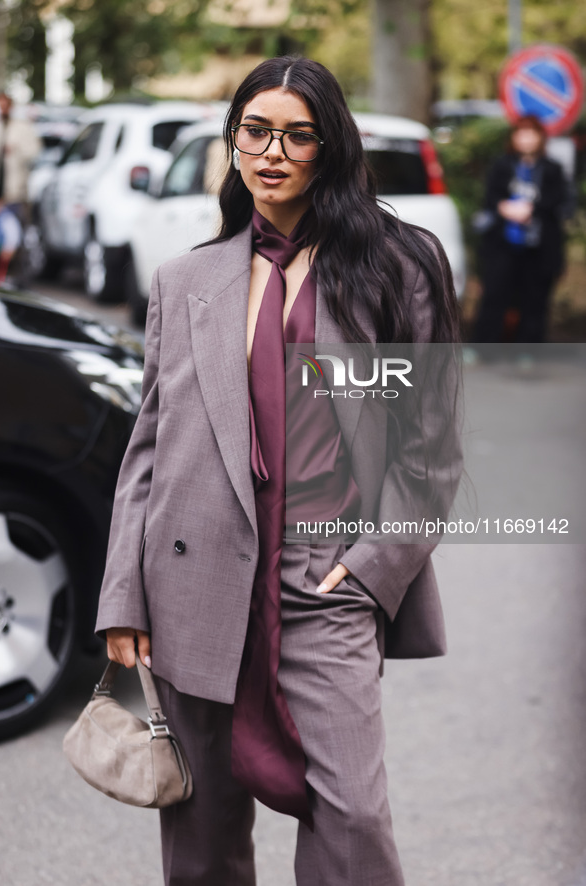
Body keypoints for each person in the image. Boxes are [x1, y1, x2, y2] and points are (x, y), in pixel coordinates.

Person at [95, 56, 462, 886]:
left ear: (329, 147)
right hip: (190, 579)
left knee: (352, 820)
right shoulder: (187, 279)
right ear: (232, 142)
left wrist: (370, 570)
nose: (272, 152)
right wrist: (124, 593)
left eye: (298, 135)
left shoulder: (395, 267)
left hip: (322, 581)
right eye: (254, 131)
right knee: (202, 831)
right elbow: (148, 445)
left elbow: (430, 449)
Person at [474, 114, 567, 344]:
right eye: (521, 133)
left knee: (534, 301)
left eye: (531, 133)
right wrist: (505, 208)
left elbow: (558, 201)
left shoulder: (552, 169)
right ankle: (485, 346)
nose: (526, 139)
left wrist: (529, 209)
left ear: (541, 138)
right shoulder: (502, 165)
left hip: (538, 247)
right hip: (503, 244)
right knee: (494, 296)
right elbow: (490, 197)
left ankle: (528, 351)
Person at [0, 92, 41, 226]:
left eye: (5, 105)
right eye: (0, 105)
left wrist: (16, 150)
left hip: (16, 190)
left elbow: (34, 152)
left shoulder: (23, 127)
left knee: (16, 229)